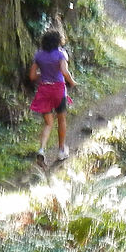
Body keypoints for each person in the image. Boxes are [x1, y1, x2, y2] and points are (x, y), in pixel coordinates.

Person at [29, 29, 76, 163]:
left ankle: (41, 149)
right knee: (61, 120)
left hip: (44, 90)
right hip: (58, 90)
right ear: (58, 41)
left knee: (48, 123)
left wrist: (42, 75)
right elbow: (64, 71)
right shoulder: (61, 54)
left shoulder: (39, 55)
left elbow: (32, 76)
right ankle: (61, 151)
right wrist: (72, 82)